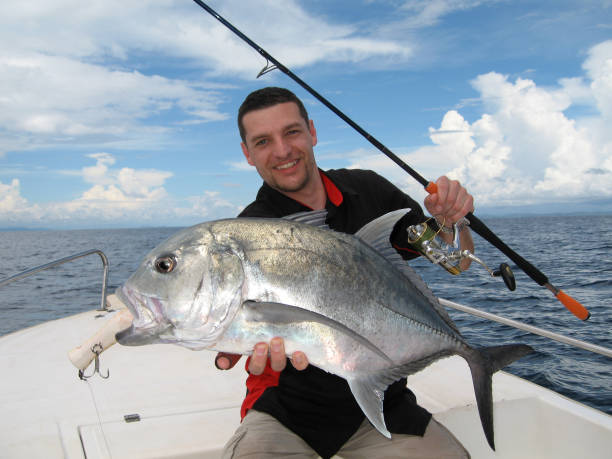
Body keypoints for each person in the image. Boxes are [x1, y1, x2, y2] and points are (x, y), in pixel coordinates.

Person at [217, 87, 474, 459]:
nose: (283, 151)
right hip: (287, 414)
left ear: (312, 132)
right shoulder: (250, 232)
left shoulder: (369, 192)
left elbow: (456, 260)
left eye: (291, 132)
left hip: (385, 401)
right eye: (262, 141)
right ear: (247, 153)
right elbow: (234, 323)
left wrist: (453, 222)